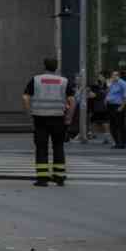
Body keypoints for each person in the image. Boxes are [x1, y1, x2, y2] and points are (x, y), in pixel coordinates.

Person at [23, 57, 75, 186]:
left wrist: (29, 113)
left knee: (41, 148)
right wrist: (69, 117)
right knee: (58, 146)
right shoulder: (64, 81)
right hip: (58, 118)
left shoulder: (36, 80)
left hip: (40, 118)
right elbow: (72, 101)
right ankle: (59, 177)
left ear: (44, 66)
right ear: (56, 67)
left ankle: (42, 179)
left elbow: (25, 98)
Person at [105, 70, 126, 149]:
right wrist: (108, 86)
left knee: (120, 124)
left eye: (115, 75)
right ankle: (117, 142)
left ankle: (122, 143)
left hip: (118, 106)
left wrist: (121, 107)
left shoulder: (123, 83)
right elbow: (107, 93)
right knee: (112, 125)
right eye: (112, 75)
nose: (113, 76)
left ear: (119, 76)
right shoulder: (111, 83)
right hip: (110, 106)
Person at [89, 72, 110, 144]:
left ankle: (106, 137)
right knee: (93, 121)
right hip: (96, 106)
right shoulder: (95, 86)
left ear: (104, 78)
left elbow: (94, 95)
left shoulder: (106, 86)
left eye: (101, 76)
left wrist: (96, 94)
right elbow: (91, 95)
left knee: (105, 122)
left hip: (103, 106)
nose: (99, 78)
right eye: (98, 77)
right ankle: (93, 134)